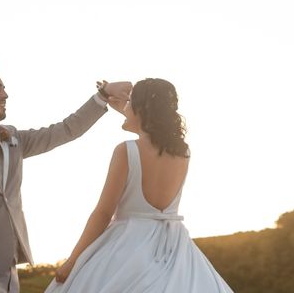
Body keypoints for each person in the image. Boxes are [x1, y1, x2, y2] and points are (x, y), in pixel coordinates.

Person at [0, 61, 131, 293]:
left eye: (3, 88)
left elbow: (65, 130)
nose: (5, 94)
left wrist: (102, 95)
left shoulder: (13, 138)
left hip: (10, 270)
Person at [45, 78, 234, 293]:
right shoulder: (183, 151)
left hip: (127, 245)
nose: (125, 107)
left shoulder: (126, 150)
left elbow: (103, 213)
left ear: (142, 110)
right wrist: (130, 112)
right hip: (174, 248)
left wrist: (73, 261)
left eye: (129, 103)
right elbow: (152, 136)